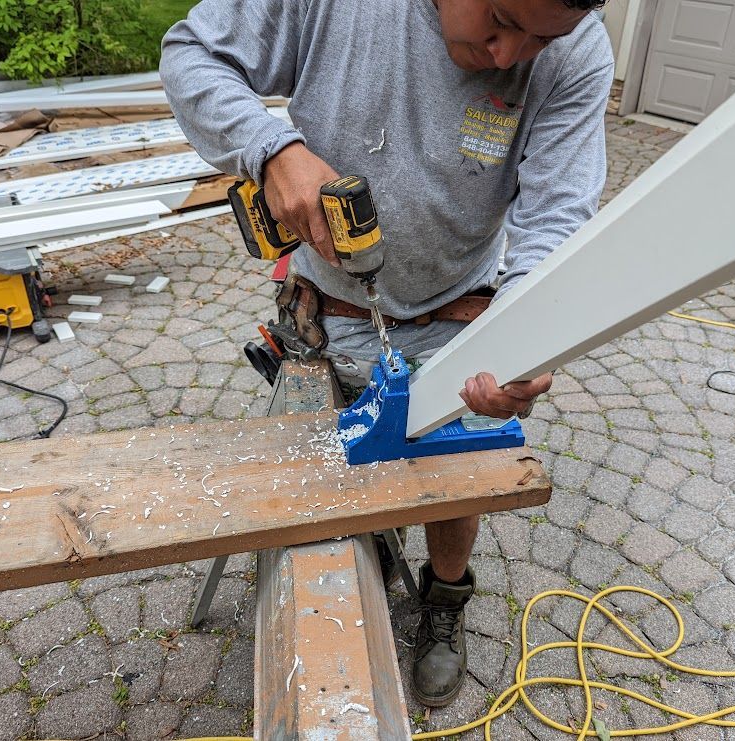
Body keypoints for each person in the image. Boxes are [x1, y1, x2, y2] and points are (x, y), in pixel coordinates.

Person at [161, 0, 613, 707]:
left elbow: (556, 211)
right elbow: (191, 52)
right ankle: (357, 556)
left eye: (539, 39)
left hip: (459, 310)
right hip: (324, 312)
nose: (508, 55)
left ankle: (444, 598)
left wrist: (526, 332)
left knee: (454, 475)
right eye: (499, 18)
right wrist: (271, 149)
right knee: (328, 470)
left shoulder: (577, 50)